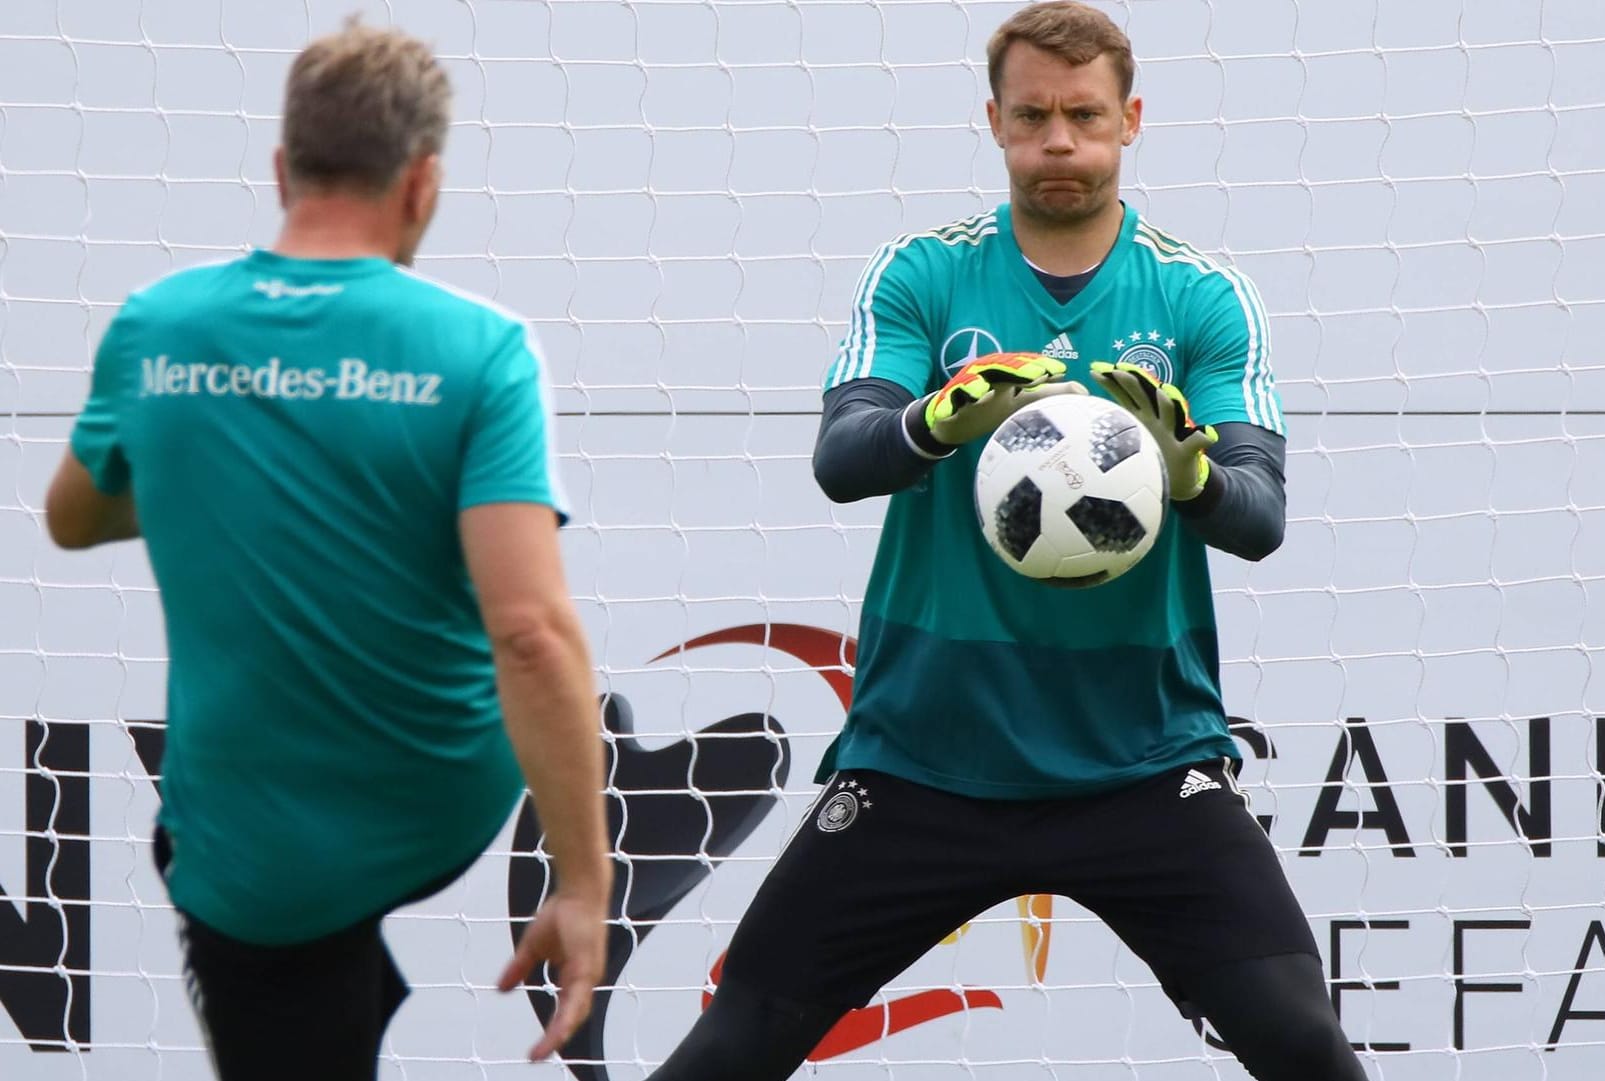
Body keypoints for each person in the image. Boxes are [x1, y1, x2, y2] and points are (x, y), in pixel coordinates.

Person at [648, 4, 1368, 1079]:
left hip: (1142, 762)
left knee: (1303, 1041)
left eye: (1083, 115)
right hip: (927, 757)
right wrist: (934, 420)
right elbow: (844, 457)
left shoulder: (1199, 295)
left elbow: (1258, 516)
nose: (1059, 142)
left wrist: (1185, 472)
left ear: (1129, 119)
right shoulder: (925, 275)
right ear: (993, 120)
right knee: (735, 1042)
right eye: (1032, 115)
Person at [43, 20, 608, 1080]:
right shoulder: (479, 348)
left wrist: (225, 471)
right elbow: (529, 632)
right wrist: (582, 883)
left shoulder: (156, 324)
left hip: (257, 854)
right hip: (438, 801)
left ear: (279, 169)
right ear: (424, 182)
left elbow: (73, 517)